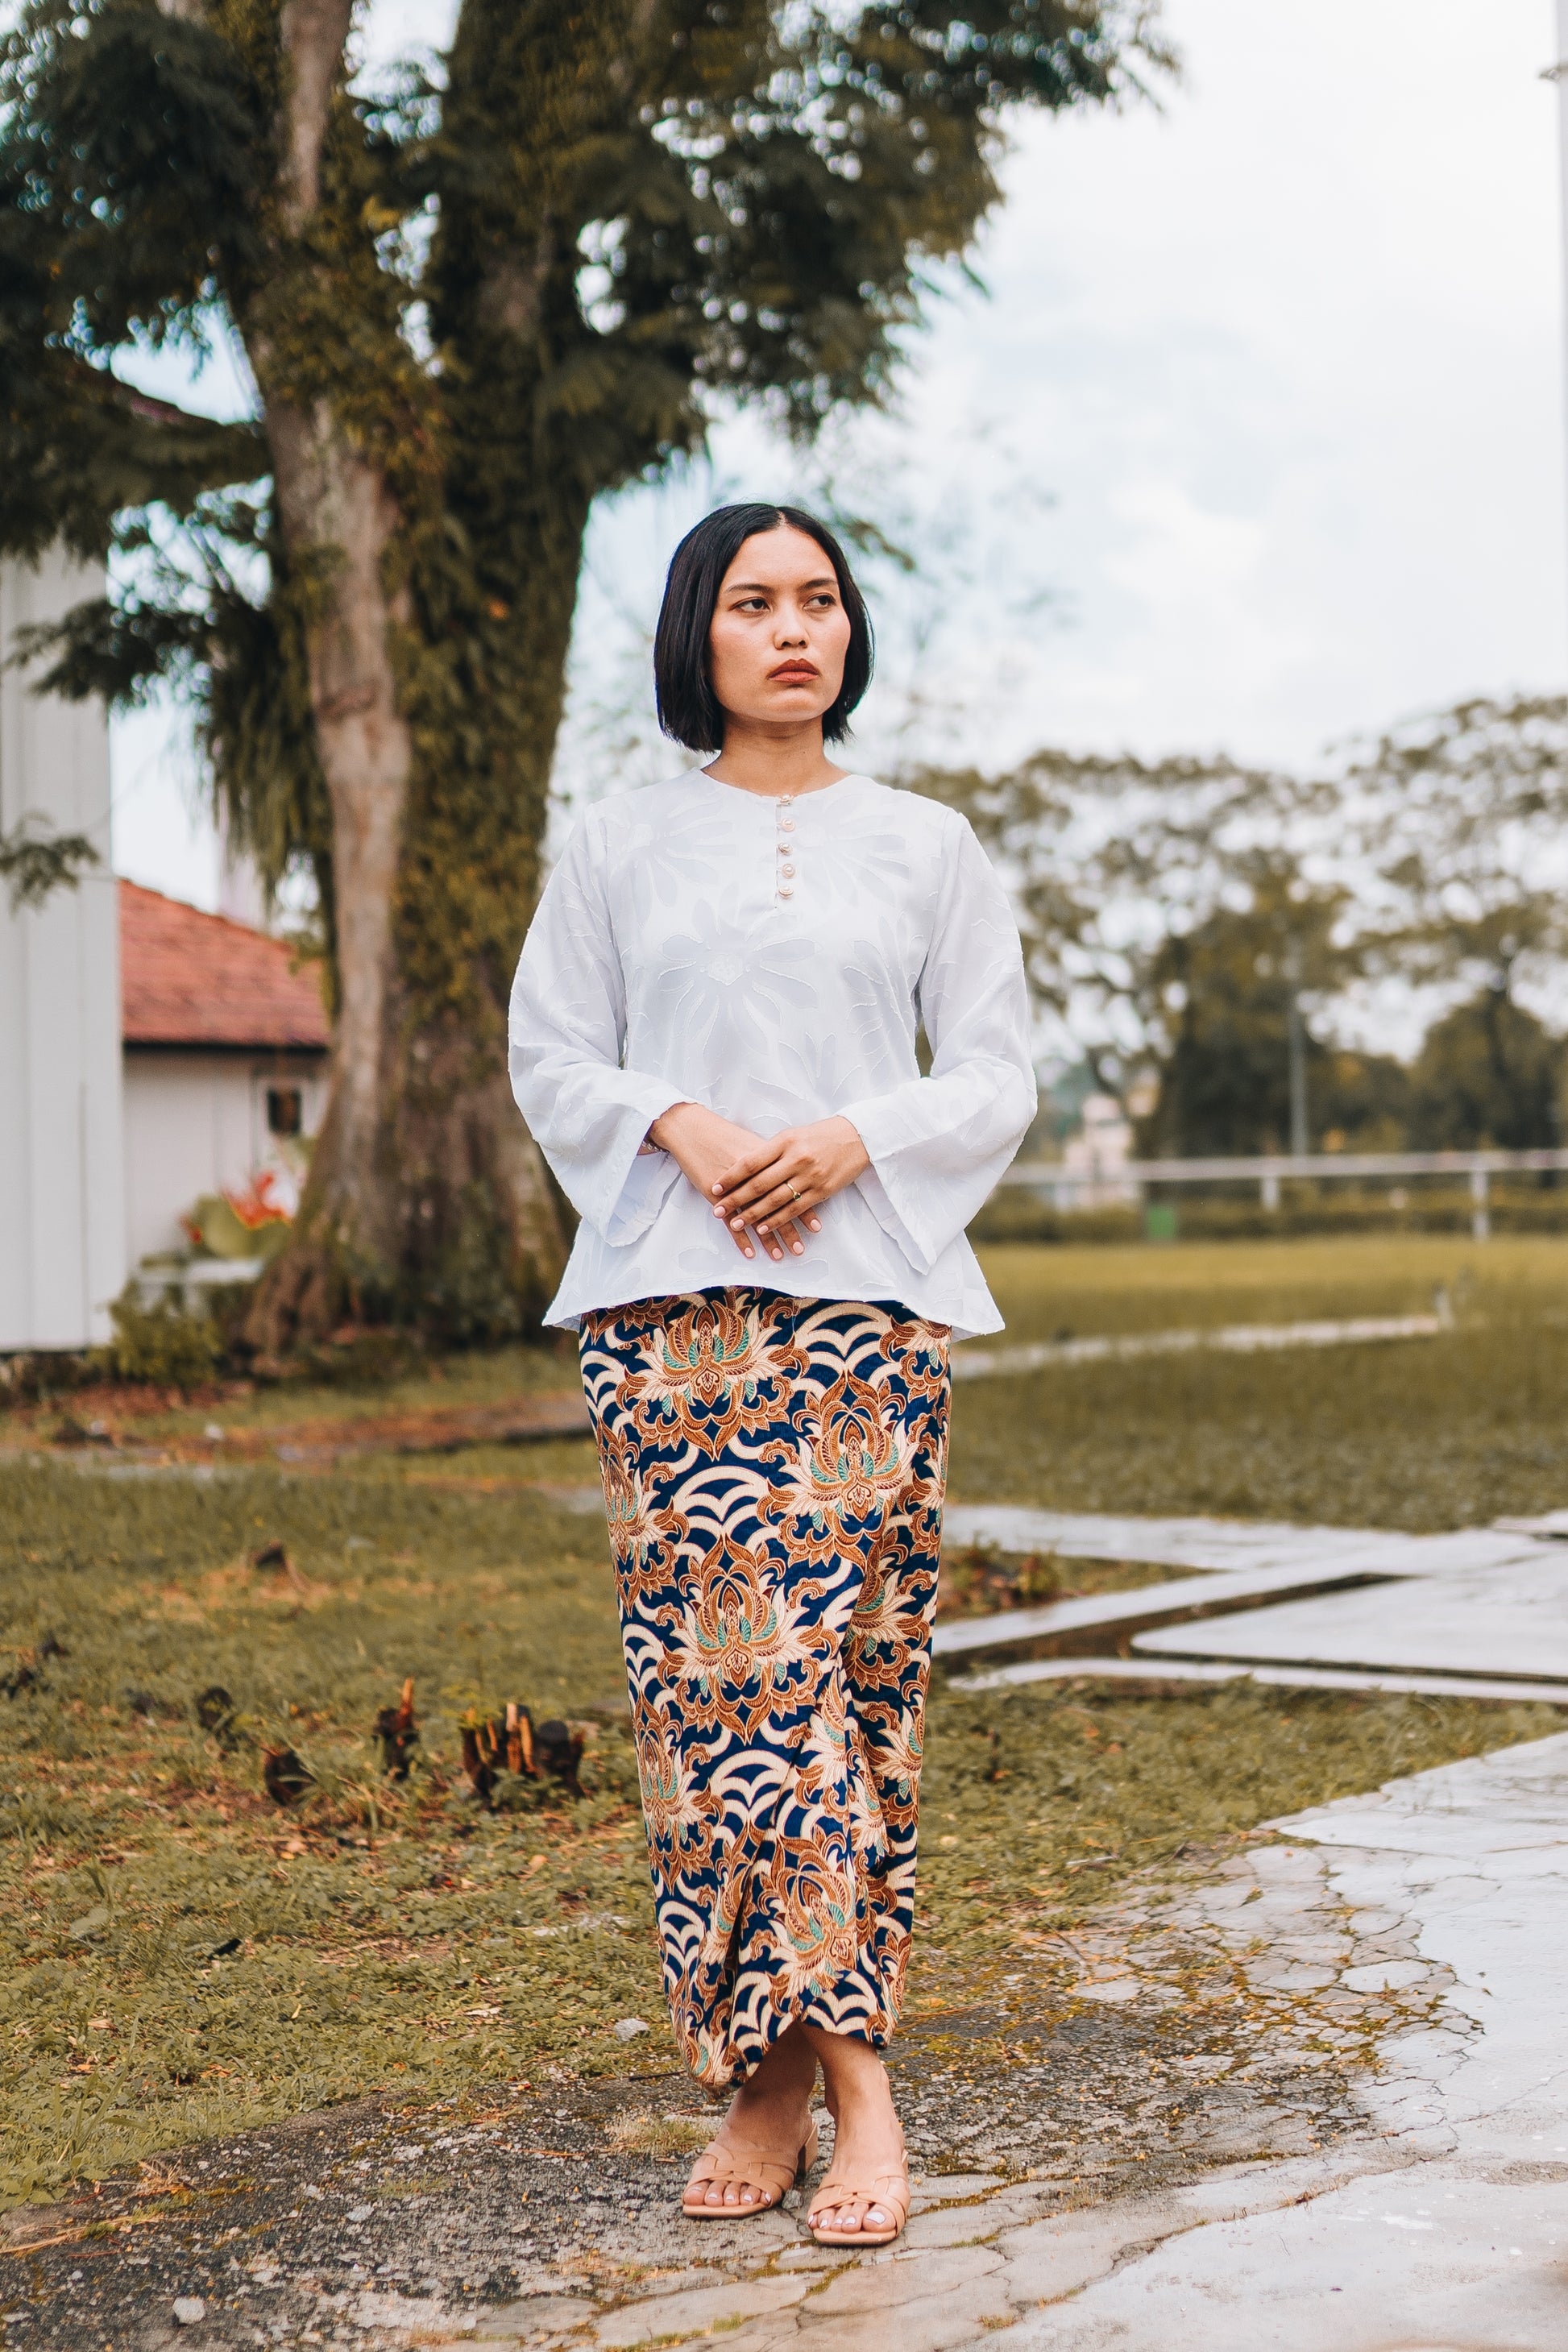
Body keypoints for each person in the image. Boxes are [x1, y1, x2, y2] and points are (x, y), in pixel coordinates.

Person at [508, 502, 1035, 2246]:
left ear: (848, 633)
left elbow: (995, 1072)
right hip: (670, 1315)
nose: (793, 628)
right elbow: (548, 1051)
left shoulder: (927, 845)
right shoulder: (616, 843)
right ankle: (820, 2077)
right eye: (753, 602)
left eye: (819, 600)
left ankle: (793, 2075)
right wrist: (681, 1117)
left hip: (867, 1310)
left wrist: (850, 1136)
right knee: (720, 1703)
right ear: (698, 634)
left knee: (841, 1692)